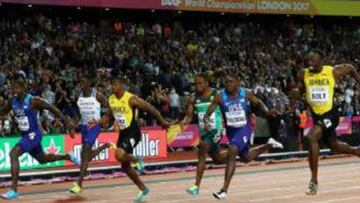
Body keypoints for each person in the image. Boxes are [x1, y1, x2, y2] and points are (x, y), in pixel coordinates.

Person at [291, 50, 360, 195]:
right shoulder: (304, 73)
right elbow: (297, 89)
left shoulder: (332, 71)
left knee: (311, 137)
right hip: (317, 116)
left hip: (331, 114)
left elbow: (351, 68)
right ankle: (357, 151)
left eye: (313, 61)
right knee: (334, 146)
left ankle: (313, 181)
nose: (310, 64)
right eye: (308, 61)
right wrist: (296, 91)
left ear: (321, 61)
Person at [204, 74, 284, 200]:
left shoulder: (245, 93)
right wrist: (207, 122)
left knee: (232, 149)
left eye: (231, 82)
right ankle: (269, 144)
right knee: (246, 157)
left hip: (244, 129)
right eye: (226, 82)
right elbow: (209, 111)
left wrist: (267, 111)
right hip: (231, 131)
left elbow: (259, 103)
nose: (228, 84)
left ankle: (224, 189)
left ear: (237, 83)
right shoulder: (220, 96)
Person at [92, 77, 170, 203]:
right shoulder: (111, 99)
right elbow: (108, 116)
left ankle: (137, 159)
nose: (112, 87)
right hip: (123, 133)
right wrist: (97, 122)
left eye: (115, 84)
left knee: (119, 155)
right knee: (125, 167)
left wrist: (161, 120)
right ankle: (143, 188)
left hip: (133, 132)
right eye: (111, 85)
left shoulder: (131, 98)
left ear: (122, 86)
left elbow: (150, 108)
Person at [0, 77, 80, 199]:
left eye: (17, 88)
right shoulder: (12, 102)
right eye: (12, 88)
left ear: (23, 88)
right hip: (25, 135)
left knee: (13, 154)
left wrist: (67, 122)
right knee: (42, 159)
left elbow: (53, 108)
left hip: (34, 134)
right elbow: (2, 112)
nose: (14, 90)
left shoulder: (33, 101)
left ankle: (14, 190)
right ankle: (68, 156)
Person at [181, 74, 227, 195]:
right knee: (217, 159)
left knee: (202, 150)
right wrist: (184, 122)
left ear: (207, 83)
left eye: (200, 83)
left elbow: (227, 108)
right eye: (195, 84)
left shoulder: (217, 94)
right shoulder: (193, 97)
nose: (197, 86)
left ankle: (196, 186)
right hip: (204, 132)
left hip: (216, 129)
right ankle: (235, 153)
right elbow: (189, 116)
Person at [69, 78, 111, 194]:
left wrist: (104, 120)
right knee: (85, 156)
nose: (81, 84)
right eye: (80, 82)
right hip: (83, 127)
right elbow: (77, 114)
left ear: (89, 83)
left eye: (83, 82)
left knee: (85, 153)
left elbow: (110, 107)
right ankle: (105, 146)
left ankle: (79, 184)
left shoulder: (97, 95)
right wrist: (73, 127)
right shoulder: (79, 96)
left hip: (94, 126)